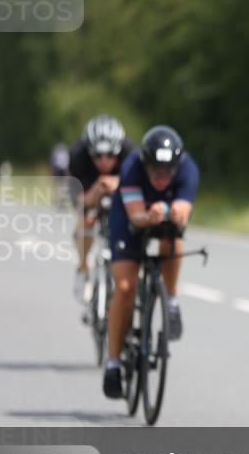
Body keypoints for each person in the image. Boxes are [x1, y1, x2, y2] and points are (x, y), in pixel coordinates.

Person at [102, 125, 199, 399]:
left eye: (168, 172)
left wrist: (175, 213)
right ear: (144, 163)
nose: (161, 178)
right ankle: (113, 364)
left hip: (162, 214)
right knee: (124, 287)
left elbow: (184, 208)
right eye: (155, 170)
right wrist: (148, 216)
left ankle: (172, 299)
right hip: (131, 216)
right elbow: (135, 217)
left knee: (174, 238)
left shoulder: (189, 170)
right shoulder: (132, 167)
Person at [68, 116, 135, 302]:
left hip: (121, 192)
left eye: (111, 155)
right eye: (98, 156)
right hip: (90, 191)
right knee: (85, 222)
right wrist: (95, 193)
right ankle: (83, 269)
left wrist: (119, 183)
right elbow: (78, 202)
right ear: (89, 151)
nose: (104, 161)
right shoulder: (77, 156)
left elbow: (140, 189)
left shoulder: (131, 153)